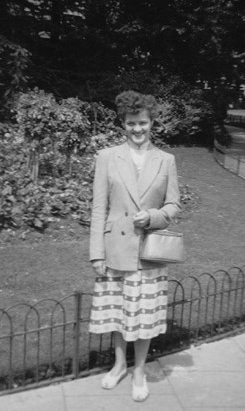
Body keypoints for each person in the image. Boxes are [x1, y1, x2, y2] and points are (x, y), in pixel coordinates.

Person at [89, 90, 181, 402]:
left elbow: (174, 206)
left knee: (143, 316)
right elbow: (98, 209)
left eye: (142, 122)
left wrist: (153, 216)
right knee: (117, 313)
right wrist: (96, 253)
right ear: (123, 123)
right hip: (115, 248)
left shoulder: (166, 160)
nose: (137, 129)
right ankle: (118, 366)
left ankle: (139, 370)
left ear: (152, 122)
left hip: (149, 252)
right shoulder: (107, 157)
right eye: (131, 123)